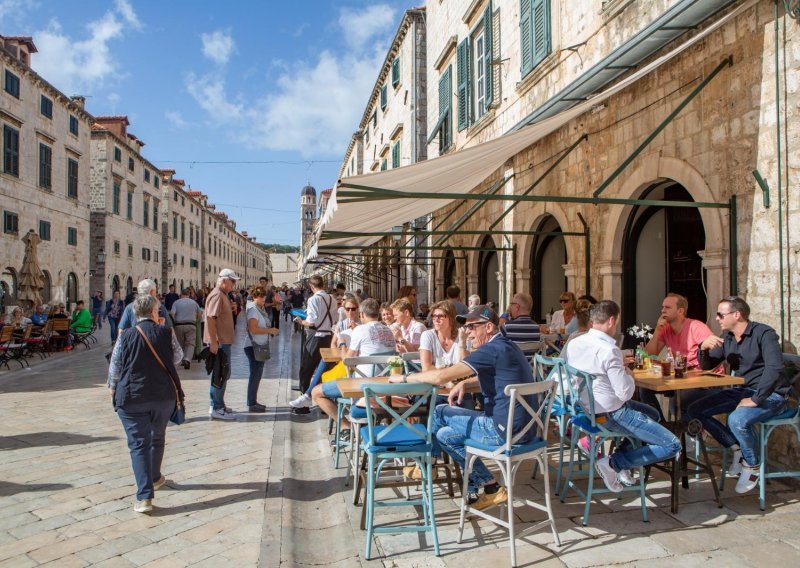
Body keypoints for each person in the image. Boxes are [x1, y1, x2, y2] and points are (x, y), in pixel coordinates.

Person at [389, 305, 535, 509]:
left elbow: (440, 377)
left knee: (439, 411)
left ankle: (427, 464)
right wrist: (467, 384)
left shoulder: (490, 349)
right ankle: (491, 487)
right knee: (444, 435)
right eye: (466, 327)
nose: (467, 332)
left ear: (490, 327)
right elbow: (500, 380)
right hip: (526, 432)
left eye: (472, 327)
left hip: (501, 433)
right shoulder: (507, 346)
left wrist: (403, 378)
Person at [563, 300, 681, 493]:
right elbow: (624, 393)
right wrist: (629, 374)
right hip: (611, 413)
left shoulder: (576, 343)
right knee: (672, 444)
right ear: (611, 321)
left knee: (653, 414)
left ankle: (620, 458)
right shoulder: (609, 350)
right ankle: (615, 463)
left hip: (586, 408)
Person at [686, 296, 789, 494]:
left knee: (737, 419)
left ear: (737, 314)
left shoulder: (764, 334)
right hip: (742, 391)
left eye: (720, 314)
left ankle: (752, 466)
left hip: (772, 395)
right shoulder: (728, 337)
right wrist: (702, 348)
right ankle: (737, 449)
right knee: (694, 410)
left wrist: (756, 399)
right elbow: (708, 365)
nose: (717, 318)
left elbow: (774, 368)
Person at [107, 294, 184, 514]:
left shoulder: (126, 335)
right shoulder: (166, 332)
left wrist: (112, 387)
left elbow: (116, 365)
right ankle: (155, 477)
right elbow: (177, 357)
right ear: (153, 312)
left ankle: (144, 496)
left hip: (132, 396)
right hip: (163, 395)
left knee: (138, 444)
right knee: (158, 436)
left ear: (134, 313)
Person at [312, 298, 395, 442]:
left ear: (361, 314)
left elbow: (348, 361)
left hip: (362, 384)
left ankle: (346, 426)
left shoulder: (360, 329)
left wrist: (342, 342)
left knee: (316, 392)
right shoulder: (388, 330)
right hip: (385, 384)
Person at [640, 293, 717, 420]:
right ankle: (661, 427)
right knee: (645, 390)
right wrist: (657, 331)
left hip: (705, 383)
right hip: (680, 380)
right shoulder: (665, 329)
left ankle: (690, 432)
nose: (663, 310)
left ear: (680, 311)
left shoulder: (696, 327)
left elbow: (714, 354)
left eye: (667, 307)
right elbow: (649, 354)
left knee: (679, 401)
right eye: (662, 307)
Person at [289, 295, 361, 409]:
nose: (350, 311)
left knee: (323, 365)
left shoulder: (362, 325)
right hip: (342, 359)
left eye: (353, 308)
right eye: (347, 309)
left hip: (357, 363)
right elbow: (333, 343)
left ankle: (310, 396)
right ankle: (315, 397)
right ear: (344, 310)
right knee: (324, 363)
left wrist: (355, 330)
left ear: (358, 309)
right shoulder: (341, 324)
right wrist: (336, 350)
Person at [205, 269, 240, 420]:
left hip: (224, 341)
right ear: (224, 281)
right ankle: (216, 407)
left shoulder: (223, 295)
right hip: (220, 342)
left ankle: (219, 404)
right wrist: (214, 341)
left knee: (223, 373)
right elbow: (211, 318)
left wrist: (232, 309)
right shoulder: (218, 295)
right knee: (220, 374)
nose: (234, 284)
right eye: (232, 281)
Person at [295, 275, 337, 393]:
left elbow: (311, 321)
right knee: (324, 369)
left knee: (306, 369)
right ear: (323, 285)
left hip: (316, 336)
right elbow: (335, 319)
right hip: (329, 336)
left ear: (311, 286)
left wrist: (301, 321)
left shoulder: (313, 299)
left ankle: (304, 401)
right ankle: (324, 398)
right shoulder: (332, 299)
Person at [243, 287, 279, 412]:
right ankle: (251, 403)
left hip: (260, 345)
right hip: (253, 346)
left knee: (257, 374)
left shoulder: (260, 309)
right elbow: (253, 329)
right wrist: (270, 330)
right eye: (260, 296)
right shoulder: (253, 310)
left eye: (264, 296)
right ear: (254, 297)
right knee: (255, 375)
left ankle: (253, 401)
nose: (263, 298)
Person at [419, 300, 467, 370]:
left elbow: (467, 368)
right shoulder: (428, 336)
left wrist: (462, 345)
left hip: (459, 380)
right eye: (434, 316)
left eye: (440, 316)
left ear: (451, 318)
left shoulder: (462, 336)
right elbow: (426, 368)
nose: (436, 320)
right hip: (435, 379)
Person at [170, 289, 203, 370]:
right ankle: (187, 359)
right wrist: (195, 319)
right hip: (191, 325)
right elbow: (200, 313)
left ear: (181, 294)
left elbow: (172, 313)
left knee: (180, 343)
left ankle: (181, 359)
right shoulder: (194, 303)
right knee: (190, 343)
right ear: (189, 294)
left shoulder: (176, 302)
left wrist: (175, 320)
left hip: (179, 325)